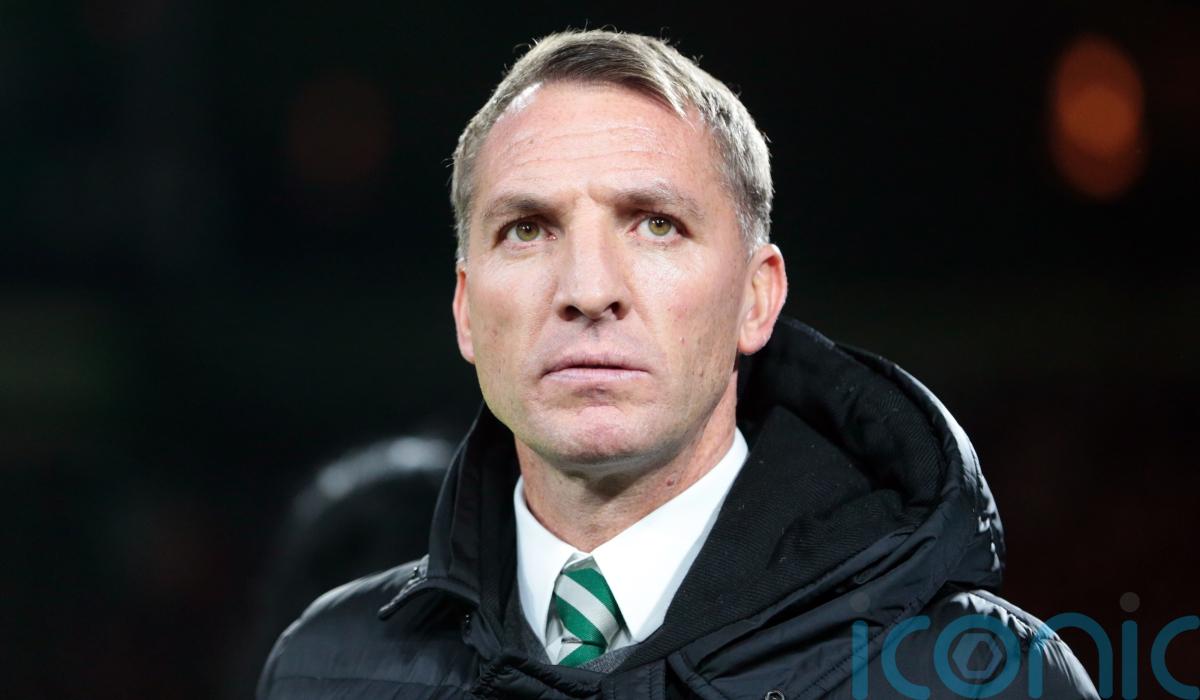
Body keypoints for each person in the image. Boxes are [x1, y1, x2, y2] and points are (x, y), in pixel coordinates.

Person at [258, 29, 1098, 698]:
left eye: (656, 224)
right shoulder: (324, 670)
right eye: (528, 229)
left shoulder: (985, 678)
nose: (589, 290)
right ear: (466, 309)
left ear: (756, 299)